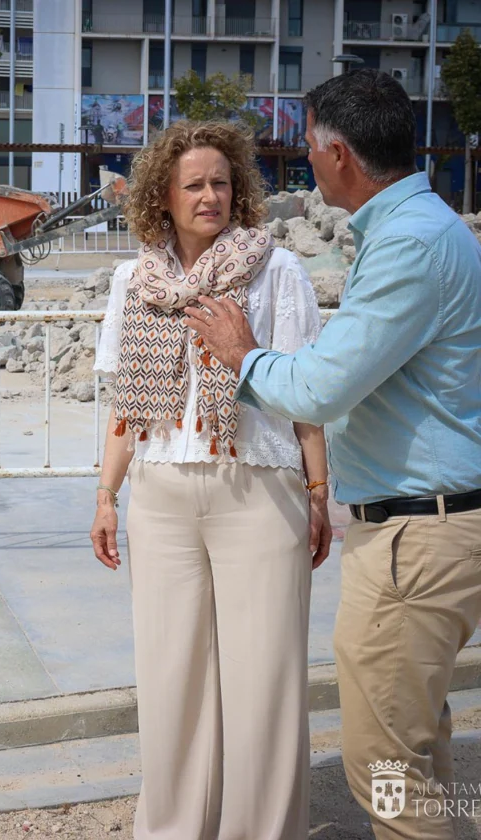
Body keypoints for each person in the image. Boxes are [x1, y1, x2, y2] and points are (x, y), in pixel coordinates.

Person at [187, 70, 481, 840]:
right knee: (417, 743)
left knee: (383, 761)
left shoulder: (411, 245)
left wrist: (242, 356)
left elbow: (320, 387)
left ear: (341, 153)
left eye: (311, 146)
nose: (307, 162)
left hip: (416, 540)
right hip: (427, 528)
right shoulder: (424, 229)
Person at [89, 120, 332, 839]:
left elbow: (304, 396)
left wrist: (320, 495)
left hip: (257, 490)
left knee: (264, 684)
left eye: (221, 182)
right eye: (194, 184)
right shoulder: (133, 280)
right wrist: (106, 495)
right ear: (162, 195)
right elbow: (124, 403)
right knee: (170, 682)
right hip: (160, 495)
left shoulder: (275, 271)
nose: (210, 196)